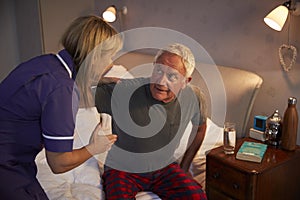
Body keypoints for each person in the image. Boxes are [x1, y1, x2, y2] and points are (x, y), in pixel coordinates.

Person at [0, 15, 121, 199]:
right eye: (110, 56)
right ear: (94, 56)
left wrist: (99, 79)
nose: (111, 63)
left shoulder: (46, 63)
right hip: (8, 166)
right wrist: (95, 147)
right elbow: (58, 163)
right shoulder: (62, 88)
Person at [96, 43, 208, 199]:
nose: (161, 81)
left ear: (185, 81)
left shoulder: (194, 97)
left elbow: (200, 128)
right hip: (123, 168)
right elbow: (76, 92)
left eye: (172, 76)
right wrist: (101, 79)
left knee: (197, 197)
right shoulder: (125, 91)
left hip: (164, 167)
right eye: (159, 70)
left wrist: (185, 167)